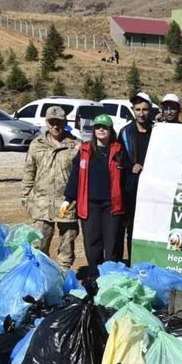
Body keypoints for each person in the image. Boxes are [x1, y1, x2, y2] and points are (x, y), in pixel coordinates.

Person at [63, 114, 129, 278]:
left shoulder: (119, 150)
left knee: (112, 244)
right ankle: (94, 277)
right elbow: (75, 176)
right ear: (94, 130)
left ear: (110, 130)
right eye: (98, 127)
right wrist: (68, 198)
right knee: (92, 244)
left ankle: (111, 279)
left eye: (104, 127)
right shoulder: (85, 150)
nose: (101, 129)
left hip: (112, 206)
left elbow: (127, 179)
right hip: (90, 205)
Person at [21, 106, 81, 270]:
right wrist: (26, 198)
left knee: (67, 245)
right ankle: (41, 278)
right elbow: (29, 172)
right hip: (41, 204)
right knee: (39, 245)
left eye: (59, 122)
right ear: (46, 123)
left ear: (65, 122)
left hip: (67, 204)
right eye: (51, 122)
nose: (55, 126)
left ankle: (63, 277)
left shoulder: (76, 146)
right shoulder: (36, 144)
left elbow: (82, 177)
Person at [119, 92, 154, 261]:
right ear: (133, 110)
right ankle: (133, 260)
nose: (141, 113)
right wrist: (130, 166)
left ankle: (149, 260)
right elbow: (119, 158)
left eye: (145, 109)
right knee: (132, 227)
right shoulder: (125, 132)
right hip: (132, 188)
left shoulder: (157, 131)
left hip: (153, 188)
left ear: (150, 110)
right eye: (137, 109)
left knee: (151, 227)